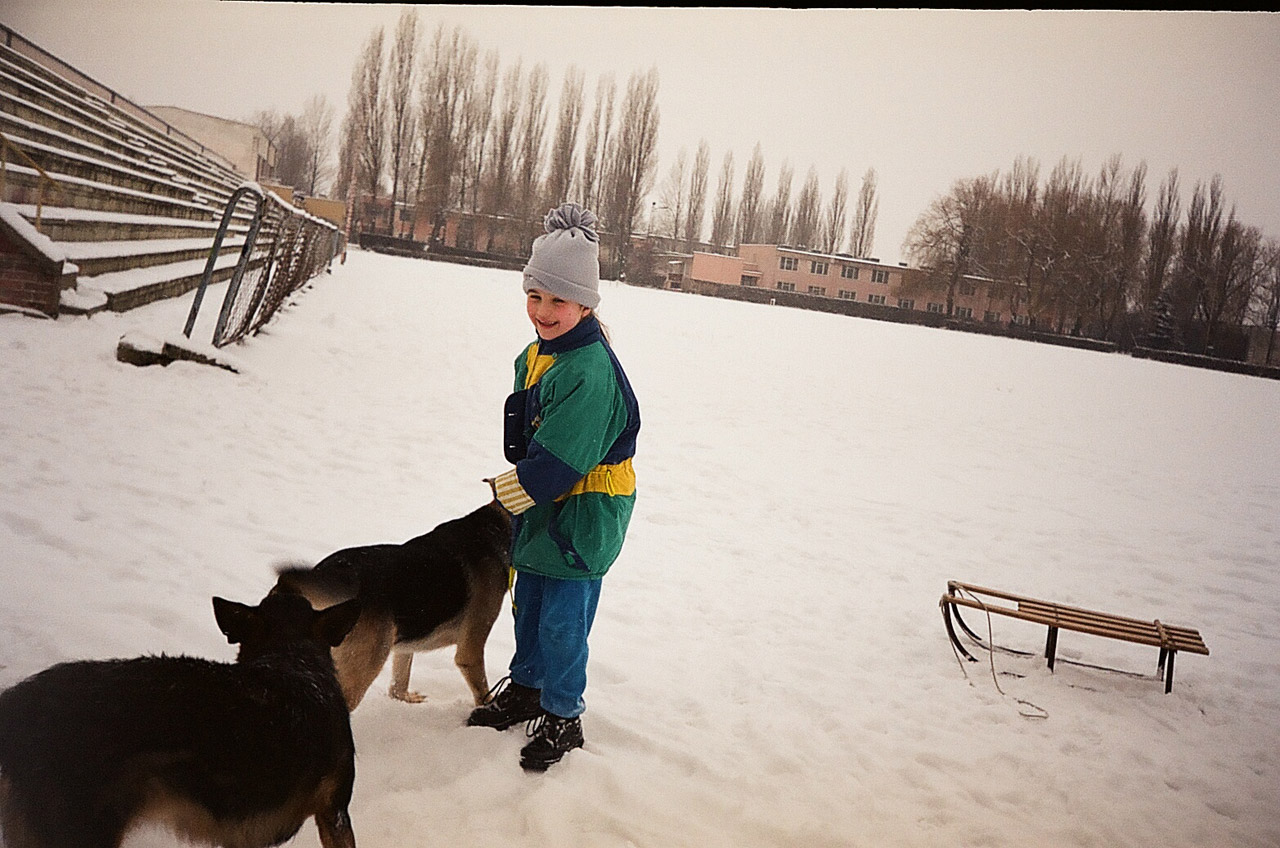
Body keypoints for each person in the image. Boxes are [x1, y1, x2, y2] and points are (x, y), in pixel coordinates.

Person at [468, 202, 641, 772]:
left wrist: (504, 496)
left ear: (586, 303)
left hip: (584, 510)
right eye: (535, 296)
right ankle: (527, 687)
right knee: (530, 605)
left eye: (558, 300)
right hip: (546, 504)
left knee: (565, 621)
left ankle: (563, 714)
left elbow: (559, 465)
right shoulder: (543, 353)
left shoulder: (589, 371)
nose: (542, 311)